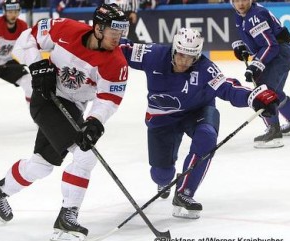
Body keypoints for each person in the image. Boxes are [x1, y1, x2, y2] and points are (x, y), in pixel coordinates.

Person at [0, 3, 129, 241]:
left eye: (121, 31)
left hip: (75, 108)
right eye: (113, 31)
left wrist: (95, 122)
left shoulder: (116, 62)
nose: (118, 37)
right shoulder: (65, 28)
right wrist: (37, 64)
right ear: (98, 28)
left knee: (41, 165)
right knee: (85, 156)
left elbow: (108, 99)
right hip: (47, 99)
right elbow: (26, 39)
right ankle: (66, 220)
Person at [120, 28, 279, 219]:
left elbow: (228, 88)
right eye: (181, 54)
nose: (185, 61)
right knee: (161, 175)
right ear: (173, 50)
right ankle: (165, 180)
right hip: (162, 118)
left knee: (207, 136)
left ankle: (184, 193)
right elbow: (121, 48)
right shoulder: (153, 55)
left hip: (198, 111)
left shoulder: (205, 68)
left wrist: (254, 97)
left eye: (191, 56)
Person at [231, 0, 290, 148]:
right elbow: (260, 41)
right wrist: (245, 48)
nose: (241, 3)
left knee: (264, 92)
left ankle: (274, 132)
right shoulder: (240, 16)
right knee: (274, 92)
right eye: (237, 0)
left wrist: (256, 64)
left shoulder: (255, 15)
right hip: (279, 53)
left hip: (278, 54)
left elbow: (270, 45)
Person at [0, 0, 32, 104]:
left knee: (29, 82)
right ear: (5, 12)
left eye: (16, 11)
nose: (13, 15)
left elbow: (28, 47)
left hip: (7, 63)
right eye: (10, 12)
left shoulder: (23, 26)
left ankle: (36, 116)